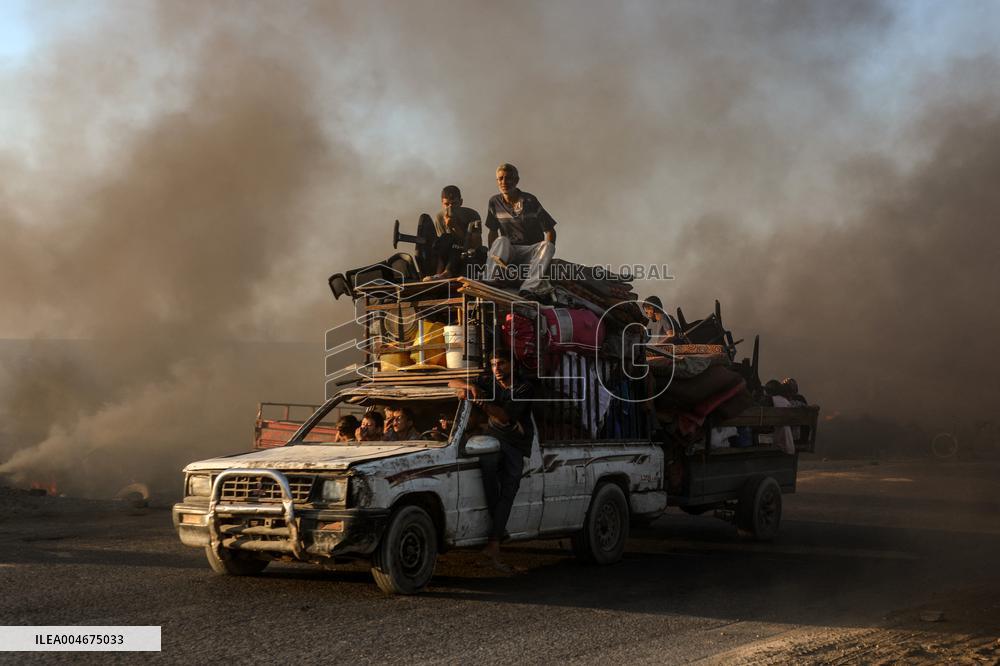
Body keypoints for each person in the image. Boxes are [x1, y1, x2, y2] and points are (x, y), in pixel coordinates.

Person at [449, 352, 534, 571]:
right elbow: (450, 381)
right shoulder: (488, 379)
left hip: (516, 442)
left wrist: (481, 401)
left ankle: (494, 540)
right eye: (494, 364)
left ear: (512, 365)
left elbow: (505, 416)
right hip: (493, 438)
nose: (497, 368)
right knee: (487, 471)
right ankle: (497, 534)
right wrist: (470, 387)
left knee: (509, 486)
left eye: (501, 363)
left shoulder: (523, 388)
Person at [484, 163, 557, 298]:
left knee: (548, 246)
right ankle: (490, 279)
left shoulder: (530, 200)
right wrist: (492, 254)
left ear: (516, 181)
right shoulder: (494, 202)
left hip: (530, 250)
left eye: (508, 178)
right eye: (500, 179)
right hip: (510, 250)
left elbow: (550, 231)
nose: (504, 182)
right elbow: (492, 232)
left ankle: (528, 288)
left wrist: (545, 260)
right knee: (501, 240)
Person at [425, 185, 485, 280]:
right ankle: (439, 273)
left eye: (454, 204)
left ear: (461, 202)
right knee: (444, 239)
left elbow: (475, 245)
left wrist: (455, 227)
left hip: (467, 254)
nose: (450, 207)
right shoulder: (440, 217)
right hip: (448, 254)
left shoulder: (472, 215)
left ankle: (447, 272)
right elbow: (442, 245)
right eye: (446, 204)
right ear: (442, 203)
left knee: (456, 244)